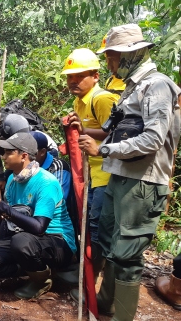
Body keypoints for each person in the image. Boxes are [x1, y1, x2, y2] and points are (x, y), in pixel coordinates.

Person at [78, 23, 181, 320]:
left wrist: (105, 151)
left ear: (129, 54)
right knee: (112, 246)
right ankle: (105, 306)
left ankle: (120, 315)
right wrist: (82, 129)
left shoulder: (157, 85)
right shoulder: (131, 88)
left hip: (142, 183)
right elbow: (114, 132)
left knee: (126, 256)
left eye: (111, 57)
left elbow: (152, 139)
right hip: (120, 176)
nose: (108, 63)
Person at [0, 132, 76, 299]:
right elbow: (11, 217)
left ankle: (42, 281)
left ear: (23, 156)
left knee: (21, 242)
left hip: (56, 240)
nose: (4, 156)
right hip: (25, 237)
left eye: (9, 152)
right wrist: (0, 213)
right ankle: (30, 268)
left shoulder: (46, 182)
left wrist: (2, 206)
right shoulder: (12, 180)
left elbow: (39, 227)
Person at [61, 48, 120, 288]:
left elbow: (119, 134)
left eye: (80, 75)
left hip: (106, 174)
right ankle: (85, 272)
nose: (73, 81)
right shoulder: (79, 100)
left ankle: (92, 283)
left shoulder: (102, 99)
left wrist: (93, 142)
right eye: (69, 76)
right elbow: (97, 131)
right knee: (85, 224)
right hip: (88, 175)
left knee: (96, 228)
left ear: (95, 75)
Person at [29, 131, 72, 201]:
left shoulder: (58, 166)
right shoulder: (27, 165)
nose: (25, 155)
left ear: (42, 152)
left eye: (30, 152)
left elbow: (58, 198)